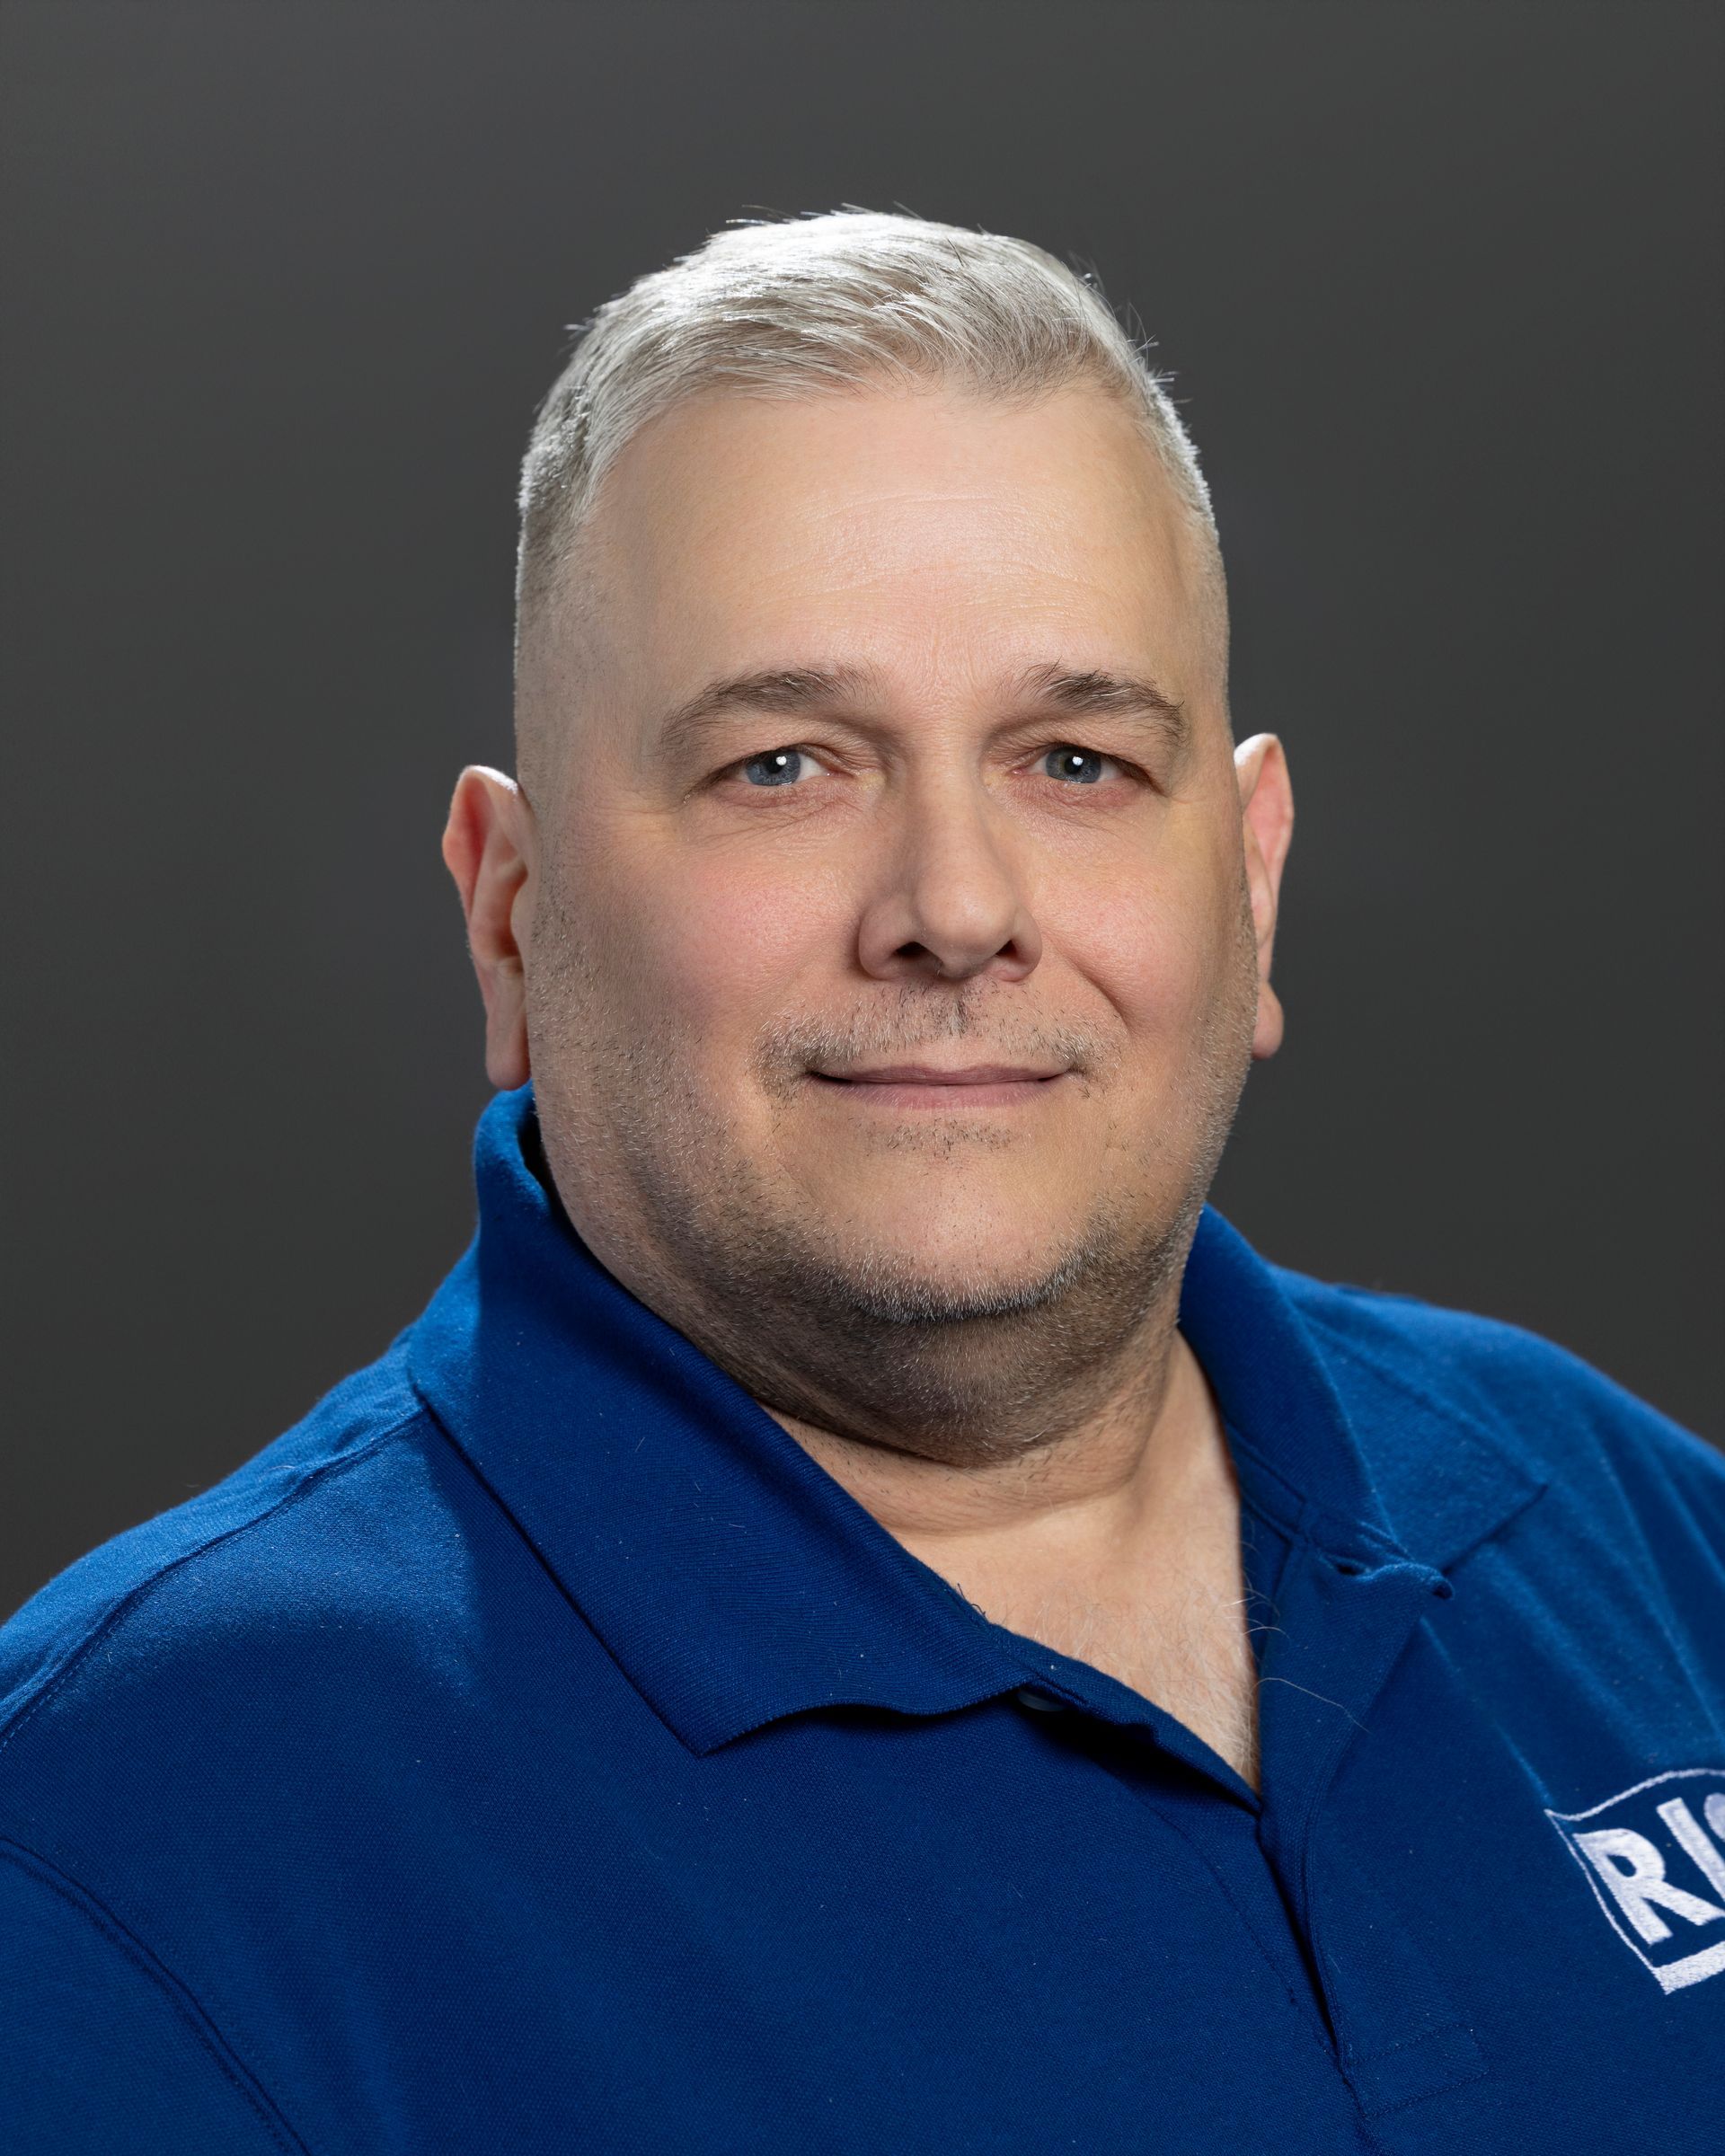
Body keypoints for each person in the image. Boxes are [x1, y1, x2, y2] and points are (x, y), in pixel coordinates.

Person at [1, 210, 1720, 2156]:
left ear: (1249, 882)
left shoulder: (1624, 1527)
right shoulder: (124, 1856)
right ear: (513, 916)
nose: (957, 910)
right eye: (785, 767)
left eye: (1075, 762)